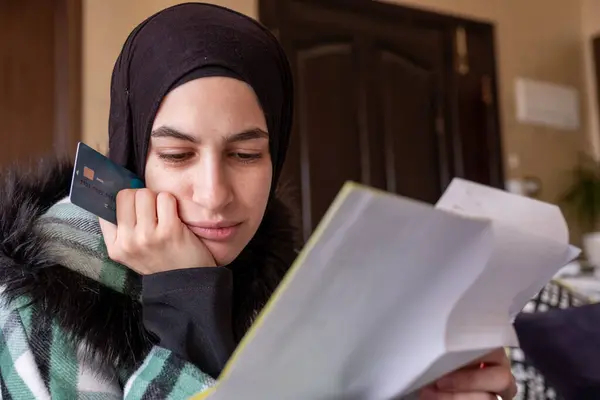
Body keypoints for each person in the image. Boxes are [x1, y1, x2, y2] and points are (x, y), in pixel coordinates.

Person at [0, 2, 517, 399]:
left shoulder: (284, 270)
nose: (216, 195)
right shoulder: (44, 290)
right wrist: (186, 298)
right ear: (133, 154)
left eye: (246, 154)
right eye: (178, 154)